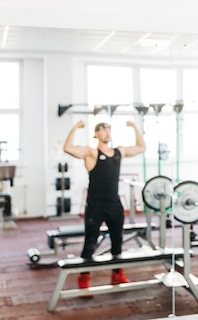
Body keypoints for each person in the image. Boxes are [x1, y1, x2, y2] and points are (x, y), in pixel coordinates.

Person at [63, 120, 146, 292]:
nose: (107, 132)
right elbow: (68, 148)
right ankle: (83, 278)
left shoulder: (118, 152)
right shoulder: (91, 153)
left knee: (117, 242)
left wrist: (135, 127)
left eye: (109, 128)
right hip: (96, 205)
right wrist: (74, 128)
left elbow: (141, 147)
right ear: (96, 134)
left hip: (115, 204)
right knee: (90, 243)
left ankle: (117, 275)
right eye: (102, 129)